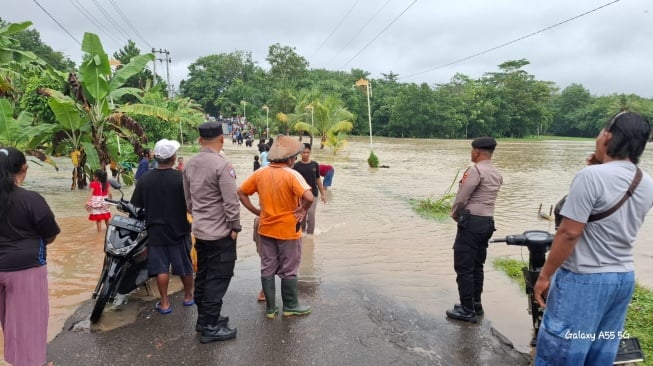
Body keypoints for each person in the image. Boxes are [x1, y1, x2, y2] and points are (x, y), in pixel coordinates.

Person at [533, 112, 653, 365]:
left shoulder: (590, 177)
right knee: (600, 351)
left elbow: (569, 232)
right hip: (622, 278)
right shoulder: (646, 182)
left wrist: (545, 276)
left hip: (584, 279)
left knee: (562, 351)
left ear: (608, 136)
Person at [238, 135, 314, 319]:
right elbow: (309, 197)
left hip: (265, 228)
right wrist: (303, 210)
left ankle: (271, 309)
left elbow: (241, 192)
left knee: (267, 266)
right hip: (288, 230)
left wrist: (257, 211)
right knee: (289, 268)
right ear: (289, 159)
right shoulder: (292, 174)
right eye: (294, 157)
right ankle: (290, 305)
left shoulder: (260, 173)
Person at [0, 147, 60, 366]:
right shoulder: (31, 199)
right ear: (23, 169)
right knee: (29, 327)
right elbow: (50, 234)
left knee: (9, 324)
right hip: (26, 270)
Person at [183, 121, 241, 344]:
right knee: (218, 279)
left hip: (200, 231)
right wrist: (235, 226)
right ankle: (209, 327)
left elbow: (188, 201)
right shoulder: (222, 165)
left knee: (205, 275)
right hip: (220, 234)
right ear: (222, 139)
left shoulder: (189, 164)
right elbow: (231, 202)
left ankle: (206, 319)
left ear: (199, 140)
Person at [131, 139, 194, 316]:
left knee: (161, 268)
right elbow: (192, 203)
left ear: (156, 158)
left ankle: (165, 303)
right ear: (173, 158)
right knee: (184, 266)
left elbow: (136, 206)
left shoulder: (144, 180)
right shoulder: (181, 178)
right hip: (180, 230)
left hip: (156, 232)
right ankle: (189, 297)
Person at [446, 137, 502, 323]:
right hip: (487, 223)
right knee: (477, 265)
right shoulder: (496, 172)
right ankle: (475, 304)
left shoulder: (475, 170)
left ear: (476, 152)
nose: (471, 154)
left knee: (464, 266)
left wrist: (455, 214)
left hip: (471, 224)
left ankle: (466, 309)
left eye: (472, 151)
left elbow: (462, 197)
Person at [293, 143, 327, 235]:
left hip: (313, 194)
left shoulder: (315, 164)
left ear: (310, 153)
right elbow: (293, 182)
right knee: (302, 215)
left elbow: (318, 179)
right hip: (301, 195)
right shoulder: (296, 166)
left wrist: (323, 194)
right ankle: (302, 233)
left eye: (307, 152)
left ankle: (310, 235)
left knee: (311, 215)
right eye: (304, 152)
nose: (306, 154)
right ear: (300, 153)